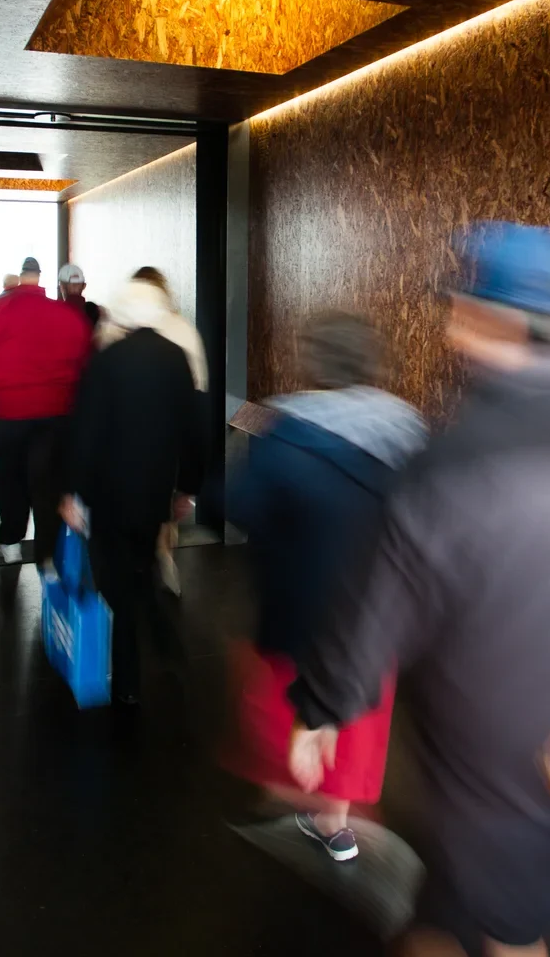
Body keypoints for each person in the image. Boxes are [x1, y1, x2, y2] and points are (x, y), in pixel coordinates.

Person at [285, 222, 550, 957]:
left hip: (490, 756)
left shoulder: (455, 462)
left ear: (491, 319)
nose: (448, 328)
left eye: (458, 308)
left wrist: (320, 708)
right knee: (450, 918)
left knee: (506, 932)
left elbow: (378, 607)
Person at [226, 311, 425, 862]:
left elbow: (240, 505)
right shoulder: (409, 431)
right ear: (370, 363)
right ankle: (335, 822)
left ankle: (290, 787)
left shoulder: (280, 428)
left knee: (285, 699)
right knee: (359, 709)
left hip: (297, 601)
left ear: (312, 363)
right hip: (371, 613)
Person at [64, 279, 203, 706]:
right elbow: (192, 429)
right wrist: (187, 488)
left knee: (115, 580)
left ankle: (126, 681)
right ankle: (166, 646)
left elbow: (87, 432)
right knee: (142, 565)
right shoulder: (176, 358)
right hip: (154, 488)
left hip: (109, 491)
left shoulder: (107, 361)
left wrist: (74, 492)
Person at [0, 257, 92, 565]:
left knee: (11, 476)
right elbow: (83, 364)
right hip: (56, 413)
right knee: (48, 481)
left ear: (18, 281)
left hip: (9, 413)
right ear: (41, 280)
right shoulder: (65, 315)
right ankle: (47, 554)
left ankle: (10, 540)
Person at [103, 266, 207, 594]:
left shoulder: (114, 333)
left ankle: (135, 561)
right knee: (165, 494)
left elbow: (99, 388)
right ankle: (163, 550)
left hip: (125, 435)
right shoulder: (184, 329)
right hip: (171, 432)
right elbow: (198, 388)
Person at [59, 263, 102, 330]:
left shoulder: (56, 312)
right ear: (84, 286)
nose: (74, 287)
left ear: (61, 286)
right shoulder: (95, 310)